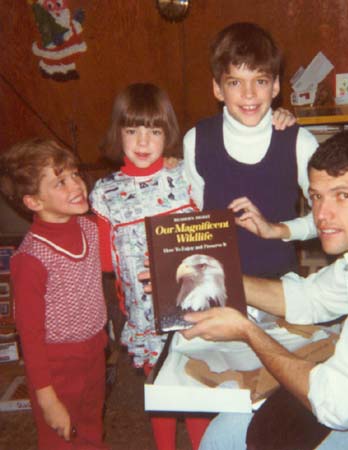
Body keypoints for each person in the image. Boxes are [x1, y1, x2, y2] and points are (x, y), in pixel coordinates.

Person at [182, 130, 348, 450]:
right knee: (227, 429)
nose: (322, 215)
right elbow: (311, 298)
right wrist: (211, 276)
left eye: (342, 196)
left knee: (226, 439)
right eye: (317, 197)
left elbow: (337, 406)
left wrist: (248, 332)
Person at [89, 82, 209, 450]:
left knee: (197, 389)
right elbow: (106, 262)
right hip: (145, 317)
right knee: (160, 393)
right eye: (132, 130)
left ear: (167, 134)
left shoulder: (186, 176)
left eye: (154, 131)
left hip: (194, 306)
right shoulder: (105, 193)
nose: (143, 141)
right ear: (118, 133)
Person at [183, 23, 319, 311]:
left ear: (276, 86)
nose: (249, 94)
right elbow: (192, 218)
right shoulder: (196, 140)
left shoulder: (300, 142)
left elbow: (327, 219)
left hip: (279, 289)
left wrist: (277, 229)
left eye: (260, 81)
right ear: (217, 88)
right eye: (235, 83)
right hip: (217, 292)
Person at [0, 138, 109, 450]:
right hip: (56, 364)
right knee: (59, 438)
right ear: (34, 201)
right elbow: (30, 336)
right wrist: (47, 399)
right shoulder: (31, 259)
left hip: (95, 349)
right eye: (60, 182)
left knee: (91, 428)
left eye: (75, 174)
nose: (76, 185)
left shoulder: (90, 228)